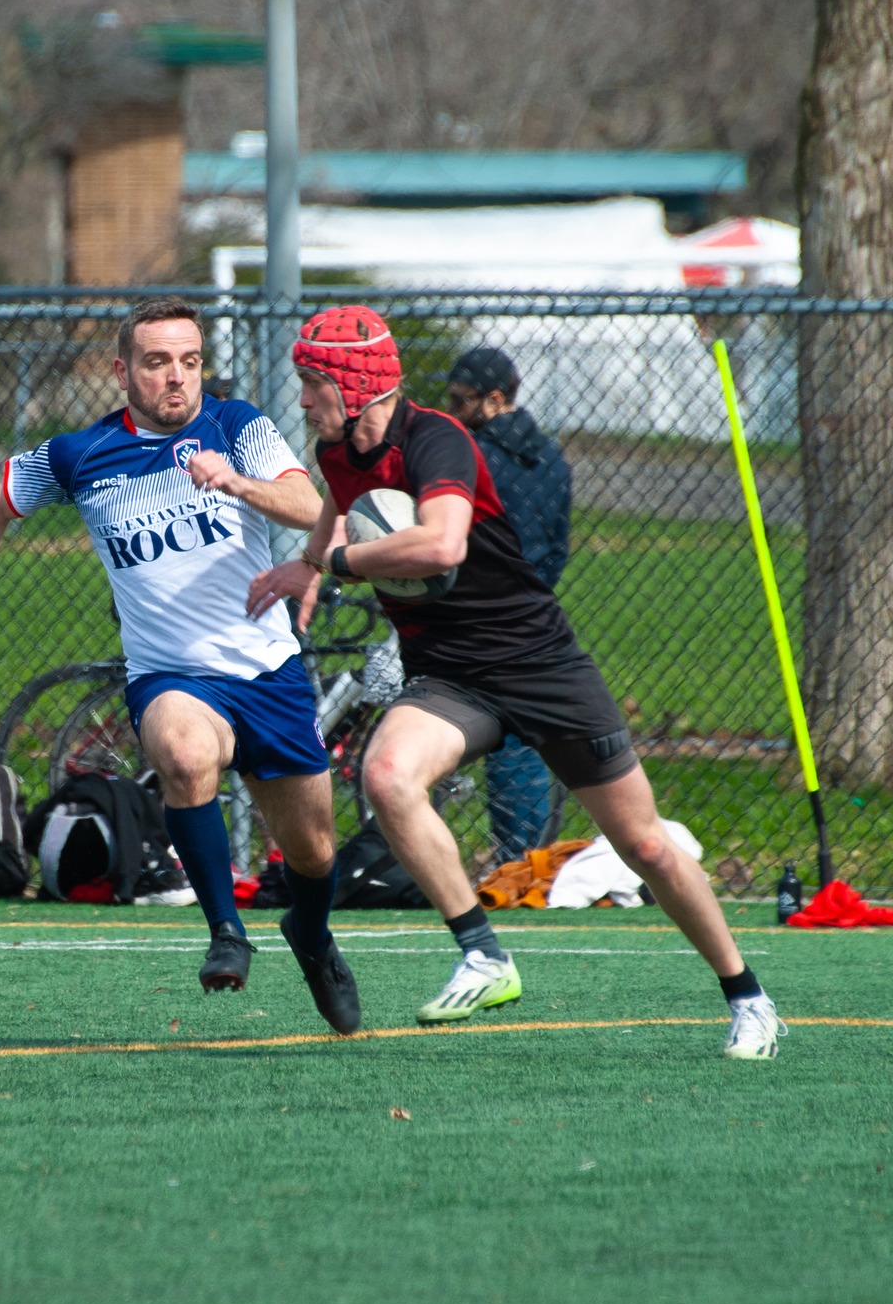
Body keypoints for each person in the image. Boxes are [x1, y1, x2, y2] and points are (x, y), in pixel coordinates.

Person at [247, 307, 786, 1058]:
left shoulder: (438, 438)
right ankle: (483, 953)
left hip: (540, 665)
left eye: (312, 383)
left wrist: (334, 565)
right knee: (388, 774)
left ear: (358, 385)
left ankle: (748, 995)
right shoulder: (336, 448)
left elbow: (442, 543)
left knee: (646, 846)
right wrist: (304, 564)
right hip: (451, 676)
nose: (303, 399)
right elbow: (339, 513)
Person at [0, 295, 361, 1034]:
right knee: (184, 755)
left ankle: (312, 937)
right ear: (121, 370)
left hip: (268, 671)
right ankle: (226, 931)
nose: (177, 378)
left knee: (315, 853)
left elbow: (304, 501)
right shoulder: (80, 454)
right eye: (158, 362)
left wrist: (236, 481)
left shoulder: (236, 424)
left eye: (189, 361)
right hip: (171, 676)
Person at [445, 345, 571, 864]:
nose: (452, 410)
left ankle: (500, 859)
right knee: (518, 735)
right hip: (534, 606)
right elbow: (558, 541)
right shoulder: (552, 457)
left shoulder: (474, 457)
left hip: (475, 611)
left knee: (465, 726)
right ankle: (523, 859)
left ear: (494, 400)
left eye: (461, 400)